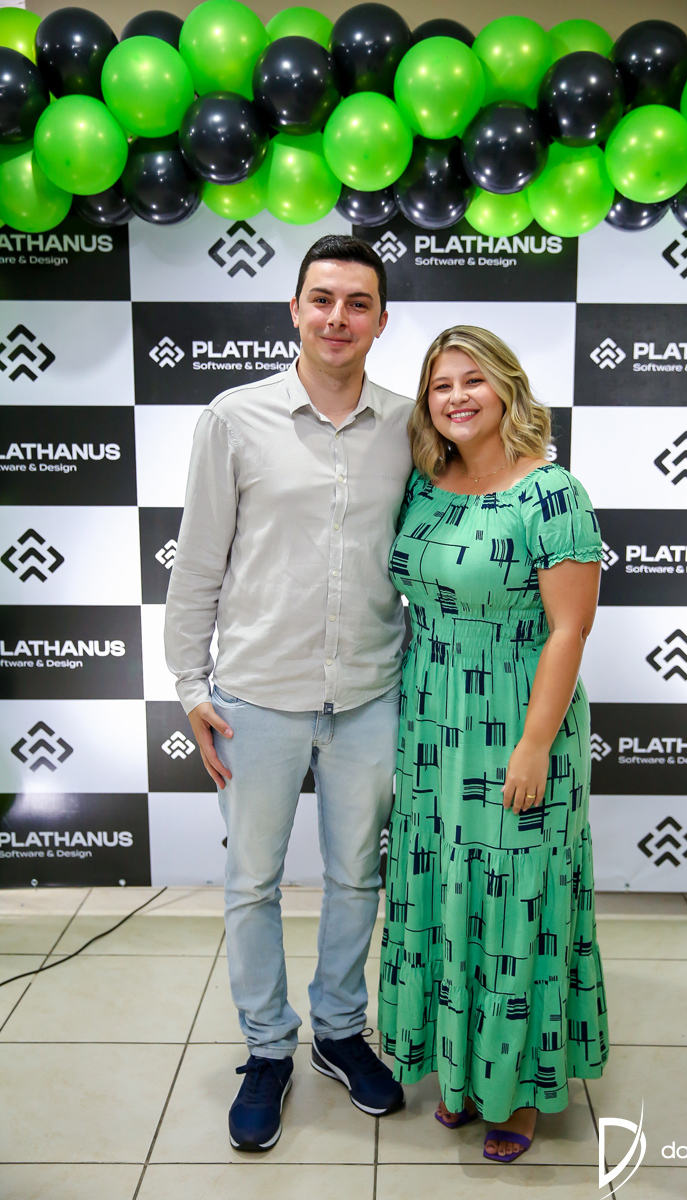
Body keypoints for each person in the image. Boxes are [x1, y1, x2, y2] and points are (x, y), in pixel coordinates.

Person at [164, 235, 412, 1151]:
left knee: (356, 877)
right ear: (296, 309)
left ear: (380, 320)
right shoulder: (234, 418)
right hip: (257, 696)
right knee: (252, 882)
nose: (338, 317)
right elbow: (198, 562)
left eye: (358, 302)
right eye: (323, 299)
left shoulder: (409, 424)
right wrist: (189, 685)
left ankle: (340, 1032)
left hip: (371, 693)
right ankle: (268, 1047)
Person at [378, 325, 608, 1163]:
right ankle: (463, 1072)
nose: (457, 398)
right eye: (441, 385)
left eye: (473, 381)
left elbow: (569, 629)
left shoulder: (551, 493)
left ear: (507, 387)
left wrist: (535, 745)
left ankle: (517, 1093)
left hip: (516, 718)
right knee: (445, 888)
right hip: (431, 723)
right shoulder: (425, 482)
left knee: (515, 900)